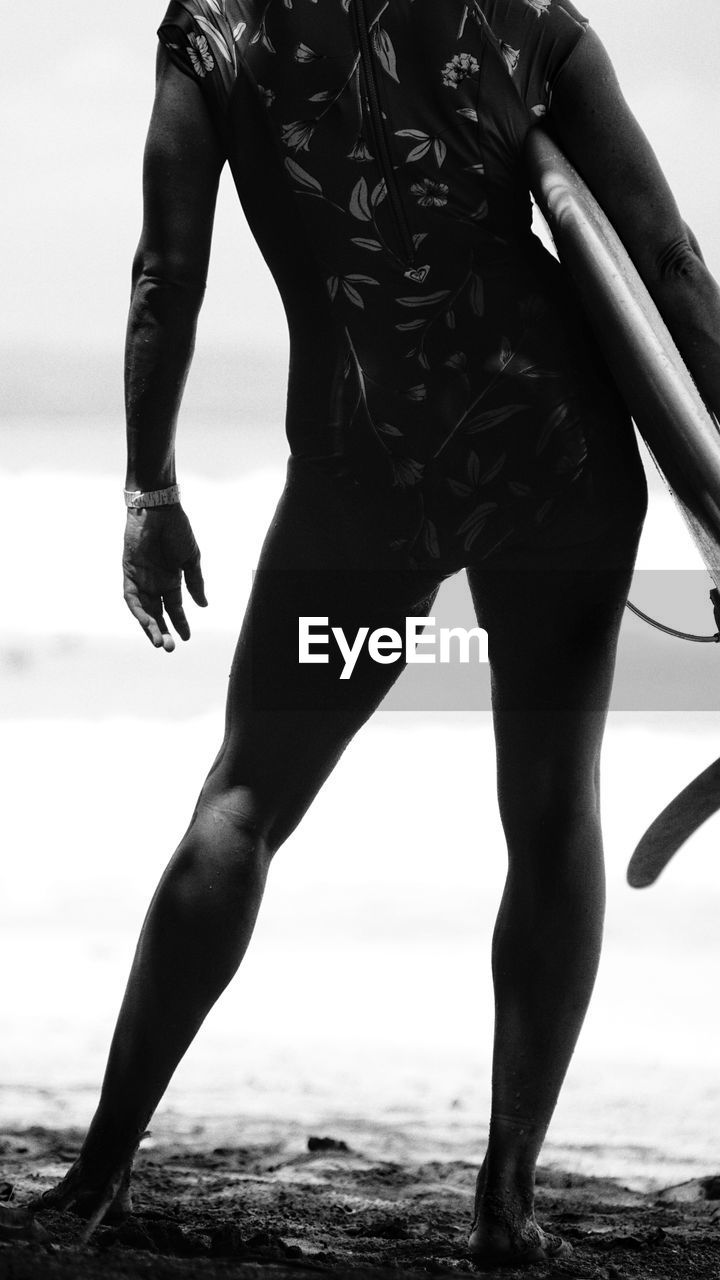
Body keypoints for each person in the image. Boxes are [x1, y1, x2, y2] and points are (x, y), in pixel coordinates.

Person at [26, 0, 720, 1267]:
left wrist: (149, 488)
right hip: (551, 455)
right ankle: (507, 1207)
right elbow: (662, 260)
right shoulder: (531, 26)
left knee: (245, 796)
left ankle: (93, 1175)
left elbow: (164, 274)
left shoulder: (214, 33)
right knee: (553, 806)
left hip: (366, 477)